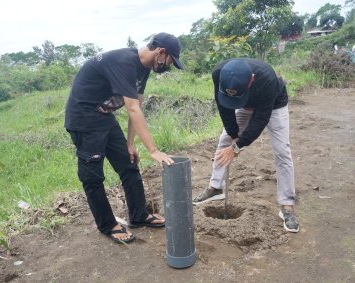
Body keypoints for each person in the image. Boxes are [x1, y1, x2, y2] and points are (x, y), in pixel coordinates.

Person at [64, 32, 182, 244]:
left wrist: (130, 143)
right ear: (161, 52)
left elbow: (137, 104)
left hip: (104, 117)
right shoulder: (124, 61)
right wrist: (153, 151)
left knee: (129, 164)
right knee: (93, 178)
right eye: (170, 61)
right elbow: (133, 109)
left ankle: (139, 215)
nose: (169, 66)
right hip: (83, 119)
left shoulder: (144, 68)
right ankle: (108, 225)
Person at [192, 59, 299, 233]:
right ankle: (215, 188)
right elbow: (224, 107)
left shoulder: (267, 79)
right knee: (224, 141)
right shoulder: (219, 73)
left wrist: (237, 147)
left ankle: (287, 205)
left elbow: (260, 120)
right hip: (243, 102)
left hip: (273, 104)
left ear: (250, 81)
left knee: (282, 151)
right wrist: (234, 137)